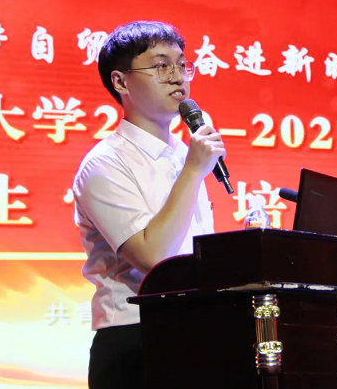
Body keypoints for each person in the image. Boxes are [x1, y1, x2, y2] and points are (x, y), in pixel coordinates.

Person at [72, 21, 225, 389]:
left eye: (182, 64)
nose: (177, 76)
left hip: (194, 330)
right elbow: (154, 259)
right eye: (160, 65)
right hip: (134, 341)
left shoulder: (184, 154)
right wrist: (193, 171)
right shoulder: (105, 163)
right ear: (121, 82)